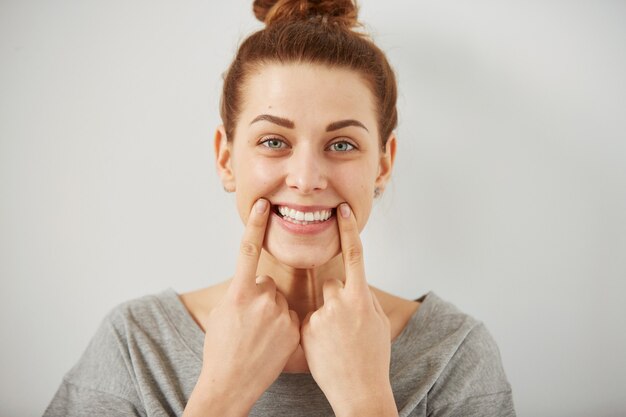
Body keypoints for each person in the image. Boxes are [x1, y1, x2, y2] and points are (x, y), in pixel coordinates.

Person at [44, 0, 515, 416]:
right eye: (274, 141)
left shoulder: (454, 353)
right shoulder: (137, 345)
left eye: (342, 144)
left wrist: (365, 399)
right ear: (226, 158)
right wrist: (222, 394)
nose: (307, 179)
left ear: (383, 165)